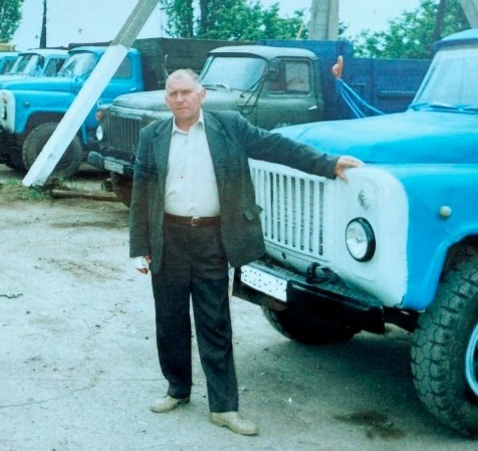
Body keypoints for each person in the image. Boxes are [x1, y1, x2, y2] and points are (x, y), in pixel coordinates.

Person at [128, 68, 362, 436]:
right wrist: (141, 245)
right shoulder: (152, 135)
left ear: (201, 94)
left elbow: (275, 146)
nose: (180, 99)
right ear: (166, 99)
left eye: (186, 92)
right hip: (168, 238)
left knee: (214, 322)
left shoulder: (229, 126)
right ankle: (177, 389)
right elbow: (141, 189)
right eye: (173, 93)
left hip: (211, 238)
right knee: (169, 321)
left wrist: (326, 163)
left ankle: (224, 407)